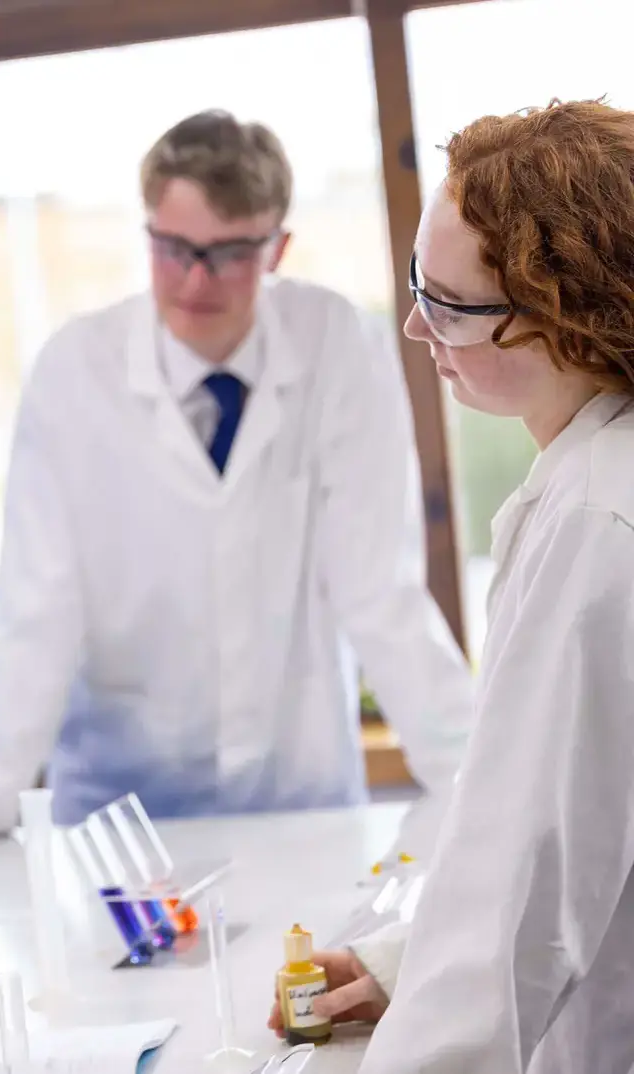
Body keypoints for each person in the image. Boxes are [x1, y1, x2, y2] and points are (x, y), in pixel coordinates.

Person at [0, 110, 475, 841]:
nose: (195, 280)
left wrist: (476, 784)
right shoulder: (74, 371)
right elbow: (40, 614)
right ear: (148, 232)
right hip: (118, 813)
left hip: (301, 798)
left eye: (229, 254)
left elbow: (379, 589)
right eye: (175, 249)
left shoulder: (336, 344)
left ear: (277, 247)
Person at [268, 99, 634, 1073]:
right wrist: (402, 959)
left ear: (566, 315)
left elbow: (537, 875)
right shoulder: (590, 473)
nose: (413, 325)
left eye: (451, 306)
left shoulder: (601, 521)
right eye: (416, 285)